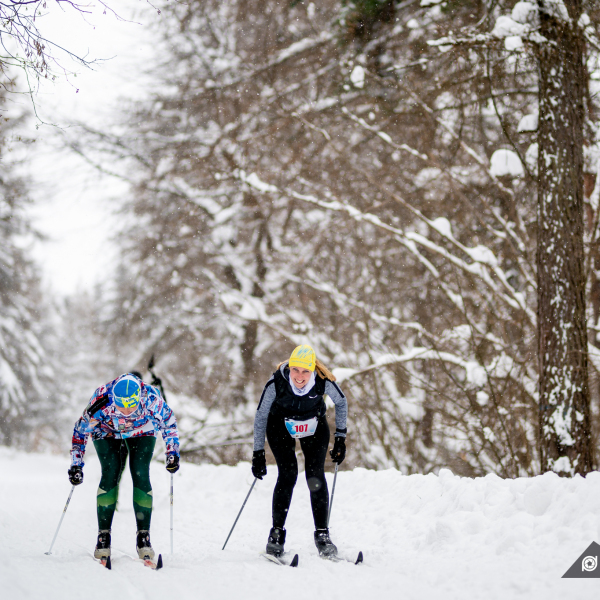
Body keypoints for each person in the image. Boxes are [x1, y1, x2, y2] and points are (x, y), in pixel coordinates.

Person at [68, 372, 180, 561]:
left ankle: (143, 538)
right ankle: (103, 537)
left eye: (131, 407)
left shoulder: (151, 400)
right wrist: (76, 464)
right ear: (114, 399)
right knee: (110, 471)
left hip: (142, 429)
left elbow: (169, 424)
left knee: (141, 472)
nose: (126, 411)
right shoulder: (101, 401)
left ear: (139, 399)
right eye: (121, 406)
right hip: (107, 430)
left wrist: (172, 454)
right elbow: (80, 431)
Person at [251, 345, 348, 558]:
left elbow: (341, 402)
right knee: (288, 474)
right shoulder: (277, 382)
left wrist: (340, 438)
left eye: (305, 371)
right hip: (279, 425)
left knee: (315, 476)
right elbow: (261, 415)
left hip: (313, 425)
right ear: (289, 367)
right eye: (295, 370)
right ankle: (276, 535)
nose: (300, 376)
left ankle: (322, 535)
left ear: (313, 370)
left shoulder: (322, 381)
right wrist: (258, 452)